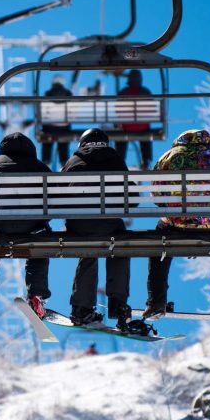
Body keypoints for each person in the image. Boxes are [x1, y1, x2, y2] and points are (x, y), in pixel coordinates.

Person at [144, 129, 210, 318]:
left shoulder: (168, 157)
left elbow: (156, 195)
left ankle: (156, 301)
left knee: (159, 240)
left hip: (176, 225)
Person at [61, 128, 146, 334]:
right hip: (109, 225)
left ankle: (82, 308)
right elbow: (132, 199)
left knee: (88, 252)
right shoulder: (115, 160)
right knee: (120, 248)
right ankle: (118, 305)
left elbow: (56, 197)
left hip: (79, 226)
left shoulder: (73, 161)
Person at [0, 132, 52, 319]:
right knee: (39, 250)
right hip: (33, 229)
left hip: (0, 227)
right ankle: (36, 295)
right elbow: (56, 199)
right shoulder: (40, 166)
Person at [114, 69, 153, 169]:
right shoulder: (146, 92)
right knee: (146, 135)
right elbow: (152, 110)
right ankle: (146, 160)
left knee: (120, 134)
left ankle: (119, 161)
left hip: (126, 126)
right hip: (143, 126)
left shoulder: (123, 92)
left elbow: (117, 110)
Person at [41, 76, 73, 168]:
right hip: (64, 126)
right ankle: (63, 163)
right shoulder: (68, 93)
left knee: (46, 140)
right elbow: (71, 111)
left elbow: (43, 111)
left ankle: (46, 162)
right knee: (63, 141)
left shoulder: (48, 93)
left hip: (49, 127)